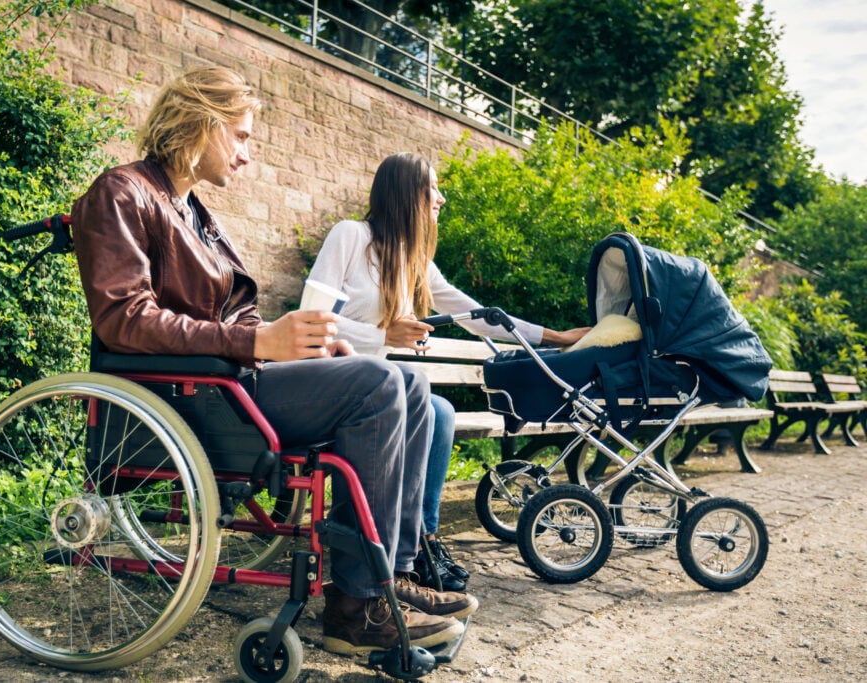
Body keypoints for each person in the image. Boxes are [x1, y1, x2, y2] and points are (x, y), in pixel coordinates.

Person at [70, 67, 477, 656]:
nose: (246, 155)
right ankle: (356, 605)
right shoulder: (122, 192)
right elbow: (123, 320)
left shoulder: (196, 214)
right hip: (191, 394)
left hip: (226, 381)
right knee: (382, 383)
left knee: (410, 382)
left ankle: (393, 575)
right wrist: (255, 344)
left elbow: (235, 319)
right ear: (203, 126)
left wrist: (307, 343)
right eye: (240, 136)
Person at [308, 152, 590, 590]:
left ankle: (422, 541)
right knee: (433, 408)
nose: (440, 198)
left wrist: (555, 337)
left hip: (377, 390)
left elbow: (476, 314)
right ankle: (406, 546)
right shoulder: (350, 236)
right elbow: (312, 316)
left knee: (439, 411)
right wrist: (382, 335)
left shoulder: (412, 260)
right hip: (331, 382)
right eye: (432, 189)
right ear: (407, 195)